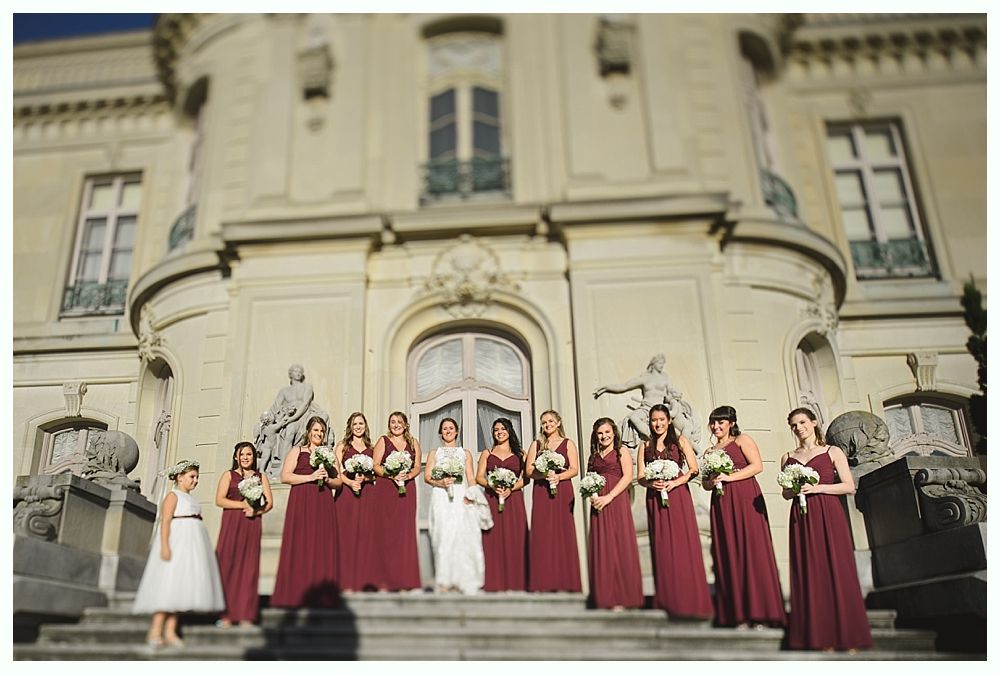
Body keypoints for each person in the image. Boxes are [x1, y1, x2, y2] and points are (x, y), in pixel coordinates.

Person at [782, 407, 873, 652]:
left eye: (801, 422)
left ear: (813, 423)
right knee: (810, 571)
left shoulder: (832, 451)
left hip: (828, 513)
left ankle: (848, 636)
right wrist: (795, 490)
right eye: (793, 425)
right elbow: (785, 493)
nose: (798, 427)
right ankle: (818, 636)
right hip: (801, 517)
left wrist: (817, 488)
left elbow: (849, 486)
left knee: (836, 569)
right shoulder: (787, 456)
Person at [701, 405, 785, 629]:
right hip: (721, 504)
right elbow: (705, 483)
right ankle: (736, 614)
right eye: (713, 422)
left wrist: (729, 476)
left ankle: (761, 613)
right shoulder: (709, 451)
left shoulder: (742, 440)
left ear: (731, 423)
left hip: (745, 499)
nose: (716, 426)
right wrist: (714, 480)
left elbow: (757, 466)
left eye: (721, 422)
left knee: (751, 550)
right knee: (729, 552)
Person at [132, 459, 225, 648]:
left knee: (181, 588)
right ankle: (156, 630)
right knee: (169, 584)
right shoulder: (173, 496)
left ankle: (170, 630)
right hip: (177, 542)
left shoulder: (191, 498)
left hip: (192, 546)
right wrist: (165, 546)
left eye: (197, 477)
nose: (195, 480)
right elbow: (165, 521)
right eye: (192, 477)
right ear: (179, 477)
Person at [637, 404, 713, 619]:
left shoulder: (680, 441)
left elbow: (693, 468)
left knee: (682, 543)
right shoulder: (645, 446)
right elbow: (641, 476)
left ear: (669, 420)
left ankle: (690, 599)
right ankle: (667, 599)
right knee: (662, 545)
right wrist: (652, 484)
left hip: (678, 496)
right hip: (655, 498)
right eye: (654, 420)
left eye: (661, 419)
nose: (657, 423)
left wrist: (676, 482)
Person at [270, 416, 342, 607]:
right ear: (309, 431)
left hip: (323, 502)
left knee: (321, 543)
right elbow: (285, 476)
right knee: (301, 542)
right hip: (301, 501)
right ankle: (296, 591)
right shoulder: (297, 451)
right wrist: (310, 477)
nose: (318, 434)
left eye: (322, 431)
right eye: (316, 430)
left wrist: (326, 479)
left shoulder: (329, 454)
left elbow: (339, 482)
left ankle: (322, 593)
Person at [361, 411, 423, 591]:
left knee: (404, 534)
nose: (396, 425)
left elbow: (418, 465)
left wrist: (408, 475)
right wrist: (392, 474)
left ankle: (405, 580)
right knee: (385, 533)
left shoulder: (413, 443)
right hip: (386, 490)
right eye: (392, 422)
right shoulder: (383, 441)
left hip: (406, 490)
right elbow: (375, 465)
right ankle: (383, 581)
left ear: (405, 424)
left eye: (399, 422)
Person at [585, 418, 643, 610]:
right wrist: (594, 497)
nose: (604, 436)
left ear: (614, 433)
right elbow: (588, 479)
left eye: (607, 432)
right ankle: (604, 597)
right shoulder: (593, 457)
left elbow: (627, 477)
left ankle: (624, 597)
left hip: (616, 501)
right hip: (598, 504)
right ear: (596, 435)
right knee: (603, 546)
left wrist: (609, 496)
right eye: (600, 433)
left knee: (620, 544)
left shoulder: (621, 451)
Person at [214, 442, 273, 626]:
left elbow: (269, 503)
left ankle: (246, 614)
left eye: (249, 454)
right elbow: (219, 500)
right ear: (236, 457)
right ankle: (225, 615)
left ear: (254, 457)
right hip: (232, 523)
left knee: (248, 567)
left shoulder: (260, 477)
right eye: (242, 454)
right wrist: (242, 505)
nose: (246, 457)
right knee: (227, 564)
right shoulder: (228, 475)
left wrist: (256, 512)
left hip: (251, 523)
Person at [424, 417, 484, 594]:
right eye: (444, 429)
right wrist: (441, 482)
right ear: (440, 433)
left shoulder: (464, 453)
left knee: (459, 535)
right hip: (441, 495)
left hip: (459, 495)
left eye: (451, 428)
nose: (448, 431)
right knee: (442, 535)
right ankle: (443, 580)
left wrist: (472, 495)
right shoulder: (435, 452)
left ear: (456, 431)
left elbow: (471, 477)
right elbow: (427, 476)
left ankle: (459, 580)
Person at [524, 409, 582, 593]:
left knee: (563, 531)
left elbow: (575, 469)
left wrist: (559, 477)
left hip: (563, 490)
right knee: (543, 533)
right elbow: (529, 471)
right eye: (543, 422)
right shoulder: (537, 444)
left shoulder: (568, 443)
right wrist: (543, 473)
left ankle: (566, 582)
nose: (547, 425)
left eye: (550, 421)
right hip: (541, 490)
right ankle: (543, 582)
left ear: (558, 422)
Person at [475, 417, 529, 591]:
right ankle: (493, 582)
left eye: (502, 429)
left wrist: (511, 488)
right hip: (491, 499)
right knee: (492, 538)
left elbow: (526, 479)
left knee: (516, 537)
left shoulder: (521, 453)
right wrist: (492, 484)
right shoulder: (487, 453)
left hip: (514, 500)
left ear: (509, 430)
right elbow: (479, 477)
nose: (499, 432)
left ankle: (517, 582)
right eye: (496, 429)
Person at [333, 412, 378, 592]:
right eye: (355, 424)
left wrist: (365, 479)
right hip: (346, 494)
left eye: (361, 423)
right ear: (350, 427)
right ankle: (344, 582)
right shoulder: (342, 447)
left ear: (365, 426)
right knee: (346, 536)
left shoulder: (372, 448)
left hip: (367, 494)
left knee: (366, 536)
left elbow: (376, 473)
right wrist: (351, 482)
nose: (358, 427)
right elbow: (336, 471)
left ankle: (363, 581)